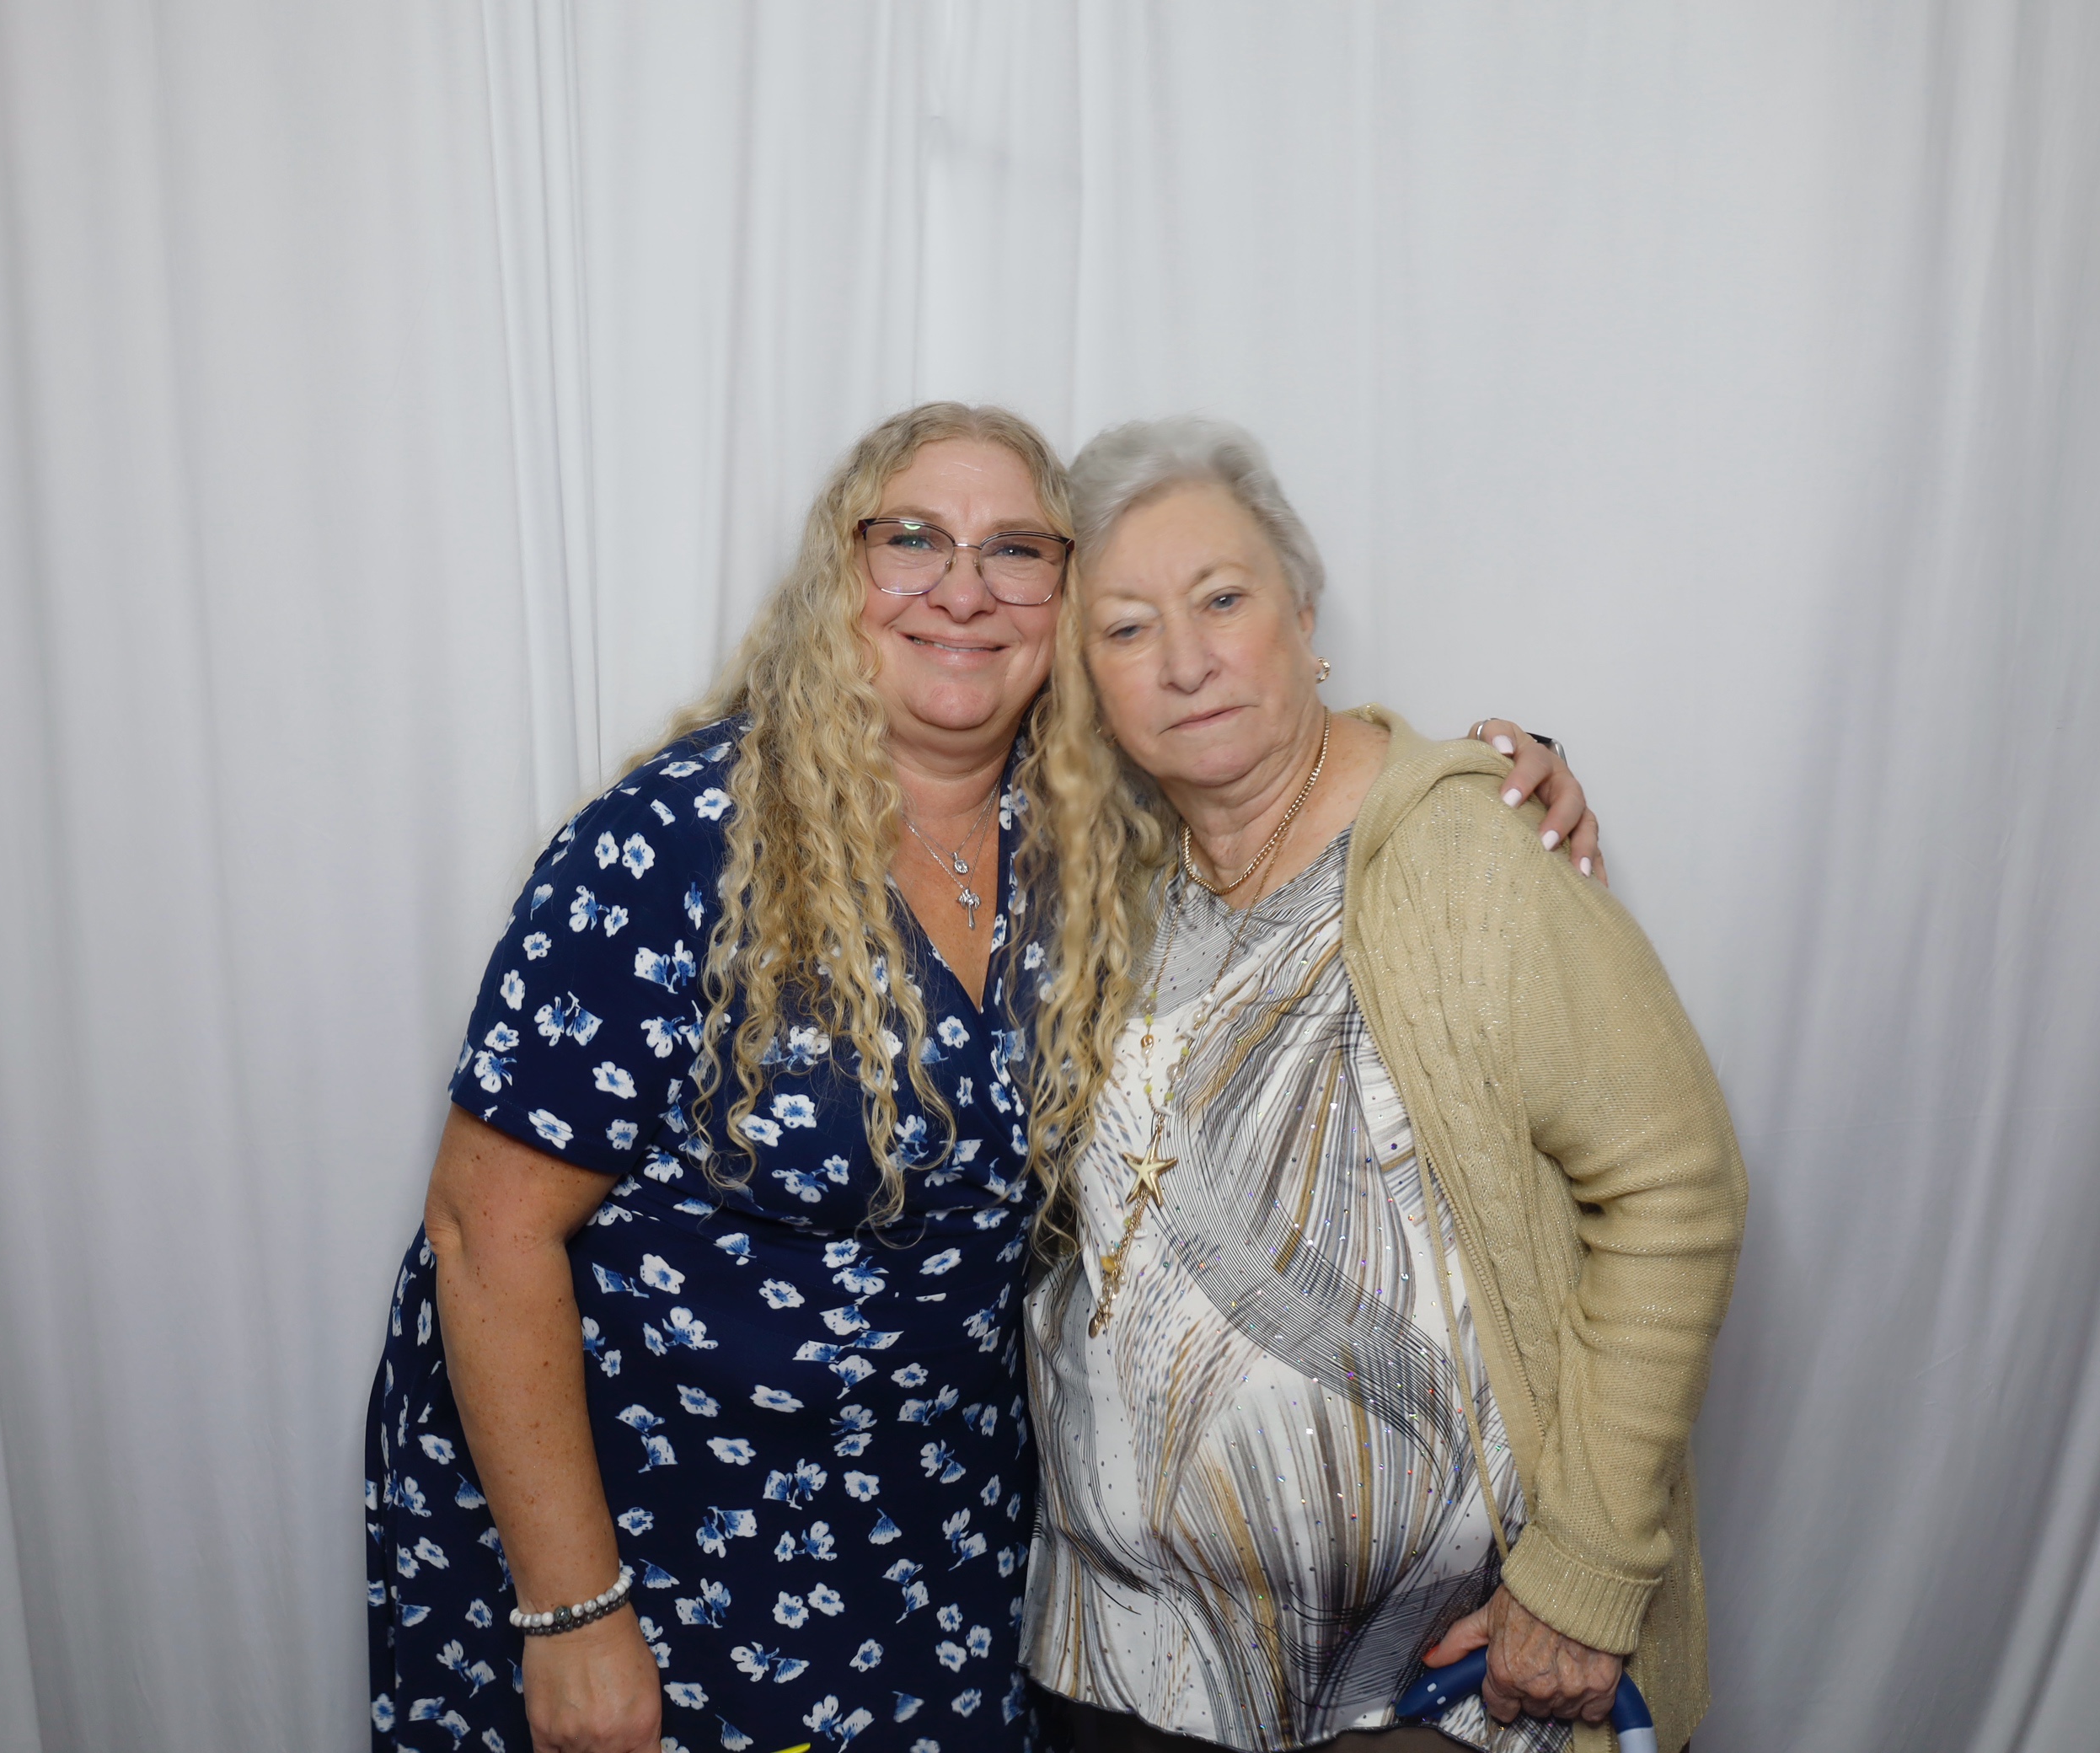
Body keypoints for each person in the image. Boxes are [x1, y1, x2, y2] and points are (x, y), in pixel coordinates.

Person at [364, 400, 1595, 1753]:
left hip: (946, 1554)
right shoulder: (669, 847)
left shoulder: (1088, 835)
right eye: (913, 540)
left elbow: (1271, 753)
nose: (963, 589)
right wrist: (571, 1611)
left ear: (1066, 603)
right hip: (651, 1554)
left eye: (1017, 549)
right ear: (841, 574)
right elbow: (485, 1232)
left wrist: (1475, 778)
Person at [1022, 416, 1747, 1753]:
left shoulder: (1464, 852)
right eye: (1126, 629)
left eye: (1222, 600)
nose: (1185, 661)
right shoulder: (1108, 883)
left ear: (1303, 618)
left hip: (1438, 1688)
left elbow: (1675, 1190)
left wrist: (1586, 1576)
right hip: (1125, 1664)